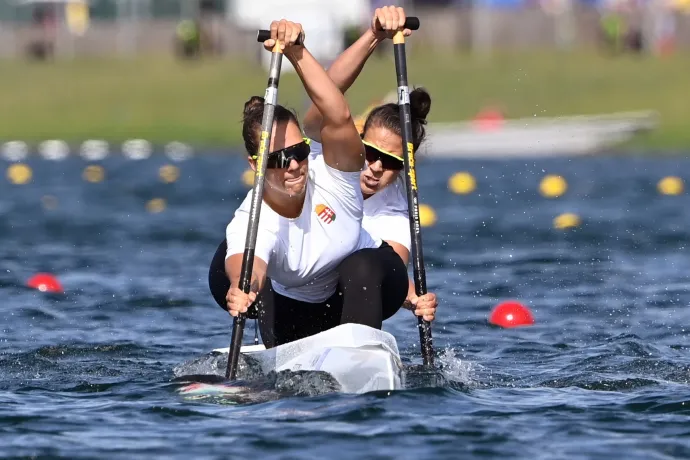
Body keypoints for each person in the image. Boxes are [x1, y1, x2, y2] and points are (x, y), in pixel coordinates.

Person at [208, 19, 410, 349]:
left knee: (361, 267)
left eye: (299, 151)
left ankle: (361, 352)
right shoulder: (253, 217)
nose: (294, 166)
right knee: (233, 269)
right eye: (279, 158)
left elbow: (337, 112)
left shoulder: (332, 172)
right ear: (255, 166)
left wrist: (297, 52)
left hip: (367, 285)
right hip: (298, 302)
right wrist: (243, 286)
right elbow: (249, 262)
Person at [302, 5, 438, 322]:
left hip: (338, 307)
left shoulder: (396, 213)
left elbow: (388, 273)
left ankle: (357, 352)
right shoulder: (328, 152)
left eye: (390, 162)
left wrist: (411, 297)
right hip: (292, 290)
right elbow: (328, 92)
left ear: (405, 168)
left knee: (363, 265)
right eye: (371, 153)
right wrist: (374, 35)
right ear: (358, 142)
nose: (376, 167)